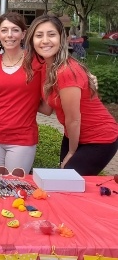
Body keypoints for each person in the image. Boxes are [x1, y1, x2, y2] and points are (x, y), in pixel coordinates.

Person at [24, 14, 118, 176]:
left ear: (62, 38)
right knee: (66, 183)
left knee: (67, 182)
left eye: (51, 34)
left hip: (99, 138)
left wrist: (72, 152)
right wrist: (19, 101)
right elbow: (47, 109)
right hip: (73, 135)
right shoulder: (45, 67)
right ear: (32, 40)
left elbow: (74, 119)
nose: (45, 40)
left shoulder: (66, 71)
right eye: (39, 35)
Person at [0, 12, 52, 175]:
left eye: (15, 30)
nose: (9, 35)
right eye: (4, 30)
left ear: (23, 34)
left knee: (14, 187)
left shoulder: (38, 63)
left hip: (22, 138)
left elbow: (48, 109)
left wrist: (27, 101)